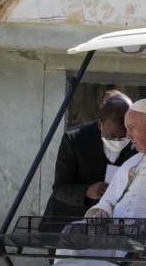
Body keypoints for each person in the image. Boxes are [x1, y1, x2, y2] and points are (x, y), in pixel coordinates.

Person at [43, 90, 135, 220]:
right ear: (100, 125)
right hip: (68, 219)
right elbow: (60, 189)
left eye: (123, 138)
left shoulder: (137, 141)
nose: (117, 141)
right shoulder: (74, 139)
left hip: (111, 221)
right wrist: (87, 191)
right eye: (112, 136)